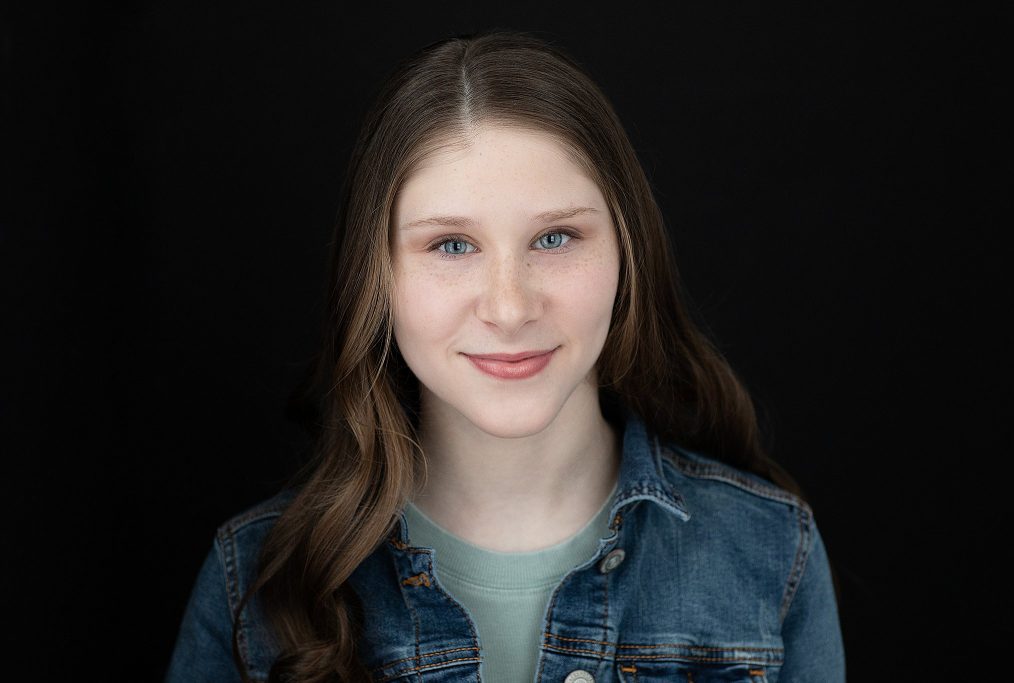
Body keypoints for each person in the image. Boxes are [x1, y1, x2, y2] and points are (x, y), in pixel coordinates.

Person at [166, 29, 845, 683]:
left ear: (626, 252)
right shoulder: (255, 583)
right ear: (375, 276)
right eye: (452, 245)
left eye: (554, 238)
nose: (510, 307)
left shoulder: (769, 552)